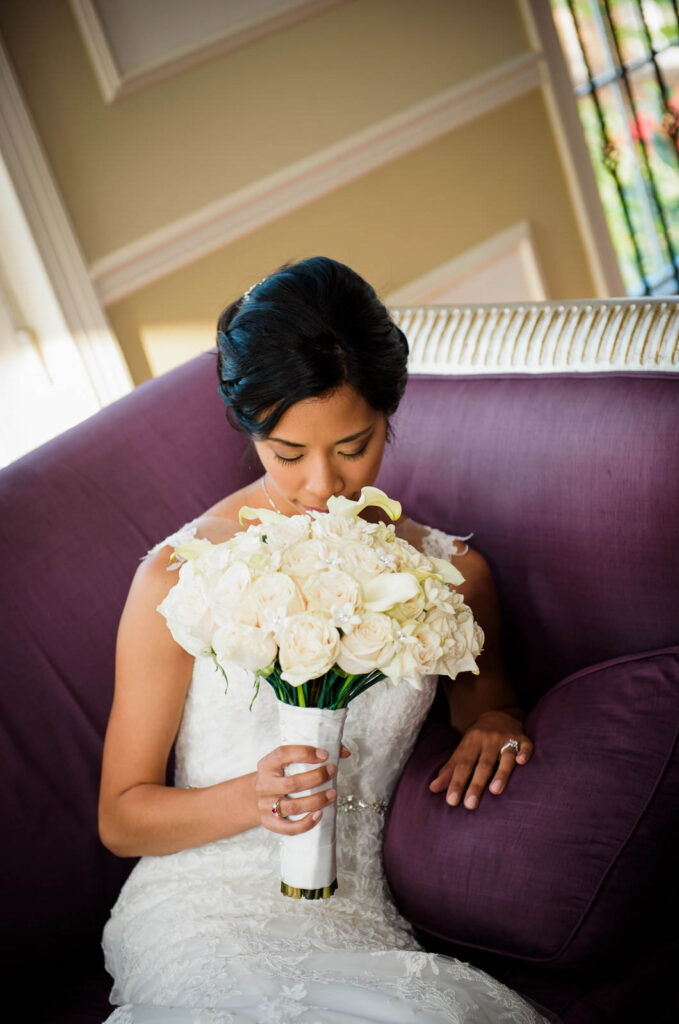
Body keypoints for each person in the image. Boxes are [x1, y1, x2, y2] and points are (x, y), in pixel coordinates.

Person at [99, 257, 548, 1023]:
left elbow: (485, 706)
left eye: (353, 447)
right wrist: (251, 798)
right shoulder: (178, 579)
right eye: (286, 453)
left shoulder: (450, 575)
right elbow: (123, 816)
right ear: (250, 431)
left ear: (389, 412)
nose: (322, 486)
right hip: (198, 918)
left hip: (359, 923)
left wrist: (499, 725)